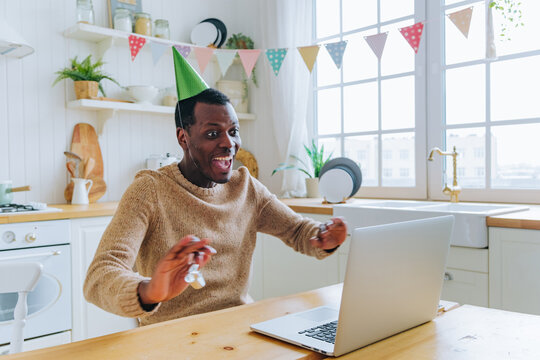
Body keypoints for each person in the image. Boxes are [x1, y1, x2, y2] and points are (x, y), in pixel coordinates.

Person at [83, 47, 347, 326]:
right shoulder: (150, 190)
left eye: (233, 131)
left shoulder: (246, 187)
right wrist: (150, 290)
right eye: (212, 133)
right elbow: (100, 276)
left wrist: (323, 237)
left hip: (241, 326)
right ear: (183, 138)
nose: (228, 143)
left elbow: (298, 231)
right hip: (172, 337)